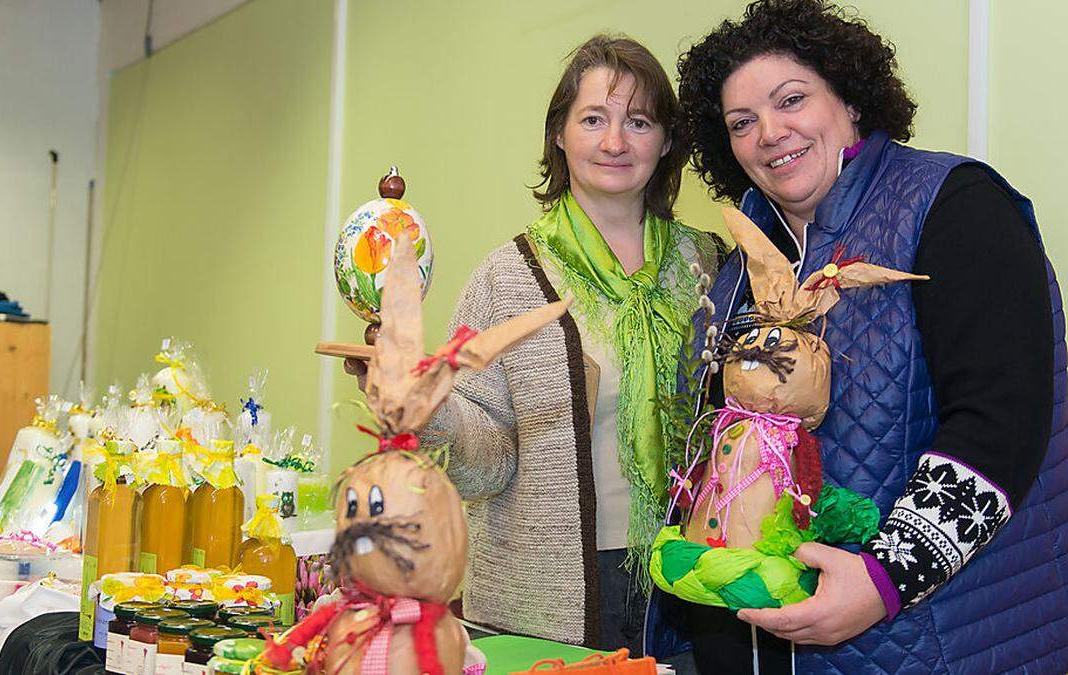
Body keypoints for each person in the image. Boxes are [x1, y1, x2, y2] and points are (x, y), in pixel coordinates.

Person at [645, 1, 1068, 673]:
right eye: (741, 122)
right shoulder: (742, 269)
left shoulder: (953, 206)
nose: (770, 133)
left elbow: (1001, 421)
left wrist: (882, 580)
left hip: (932, 645)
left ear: (849, 95)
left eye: (791, 99)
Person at [346, 34, 723, 656]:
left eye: (639, 122)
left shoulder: (711, 265)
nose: (614, 143)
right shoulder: (506, 277)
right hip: (548, 599)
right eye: (593, 119)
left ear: (666, 140)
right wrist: (426, 406)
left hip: (696, 575)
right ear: (559, 134)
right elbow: (484, 466)